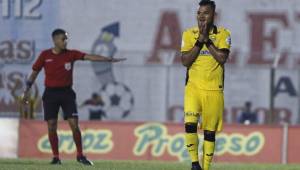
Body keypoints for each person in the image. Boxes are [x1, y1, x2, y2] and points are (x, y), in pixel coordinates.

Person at [22, 28, 125, 165]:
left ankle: (80, 155)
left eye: (66, 39)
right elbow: (35, 72)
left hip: (67, 94)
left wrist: (108, 59)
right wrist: (27, 90)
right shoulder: (45, 55)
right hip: (51, 94)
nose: (65, 41)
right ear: (55, 40)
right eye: (63, 39)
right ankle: (56, 157)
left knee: (74, 125)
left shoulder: (71, 54)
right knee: (52, 126)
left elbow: (89, 56)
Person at [181, 0, 231, 170]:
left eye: (206, 13)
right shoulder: (188, 34)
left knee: (209, 132)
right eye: (199, 13)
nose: (201, 16)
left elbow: (222, 58)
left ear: (213, 15)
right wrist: (198, 42)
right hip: (193, 88)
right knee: (190, 124)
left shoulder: (223, 34)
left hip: (214, 90)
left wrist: (207, 41)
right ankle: (195, 164)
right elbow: (185, 61)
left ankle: (206, 167)